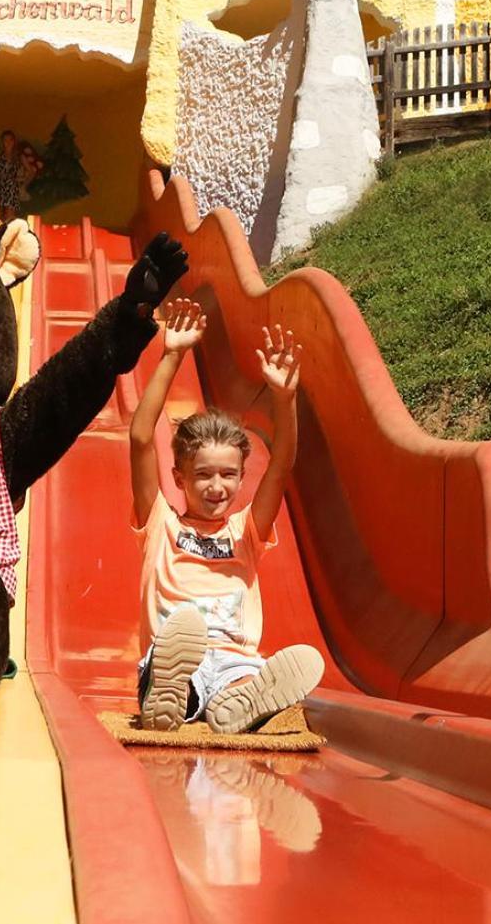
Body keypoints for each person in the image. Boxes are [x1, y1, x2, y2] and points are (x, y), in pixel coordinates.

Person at [130, 298, 324, 733]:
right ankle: (175, 696)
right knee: (185, 675)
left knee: (243, 679)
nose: (216, 487)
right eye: (202, 476)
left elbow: (283, 463)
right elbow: (142, 436)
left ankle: (240, 703)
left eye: (228, 475)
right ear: (178, 478)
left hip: (236, 657)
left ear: (241, 477)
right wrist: (173, 355)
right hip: (176, 653)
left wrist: (285, 398)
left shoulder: (246, 531)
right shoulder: (161, 523)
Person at [0, 129, 23, 219]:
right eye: (5, 140)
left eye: (10, 140)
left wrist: (23, 184)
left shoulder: (18, 155)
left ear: (14, 141)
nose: (8, 142)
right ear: (2, 142)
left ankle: (9, 231)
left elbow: (31, 171)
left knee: (9, 216)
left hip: (12, 187)